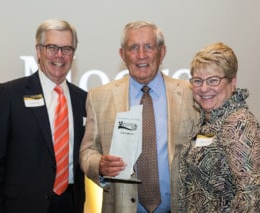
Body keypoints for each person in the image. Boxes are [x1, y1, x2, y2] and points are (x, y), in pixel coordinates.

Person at [79, 21, 199, 213]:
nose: (141, 55)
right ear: (122, 54)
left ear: (162, 51)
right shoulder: (99, 97)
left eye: (149, 47)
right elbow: (87, 152)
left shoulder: (189, 93)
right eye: (133, 47)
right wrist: (99, 165)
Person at [0, 19, 87, 213]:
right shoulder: (9, 95)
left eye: (67, 49)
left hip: (70, 205)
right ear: (38, 51)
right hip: (22, 205)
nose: (60, 55)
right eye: (52, 47)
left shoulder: (83, 100)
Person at [178, 42, 260, 212]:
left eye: (213, 80)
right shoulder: (209, 121)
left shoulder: (238, 125)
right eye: (198, 80)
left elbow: (251, 200)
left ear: (232, 83)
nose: (203, 88)